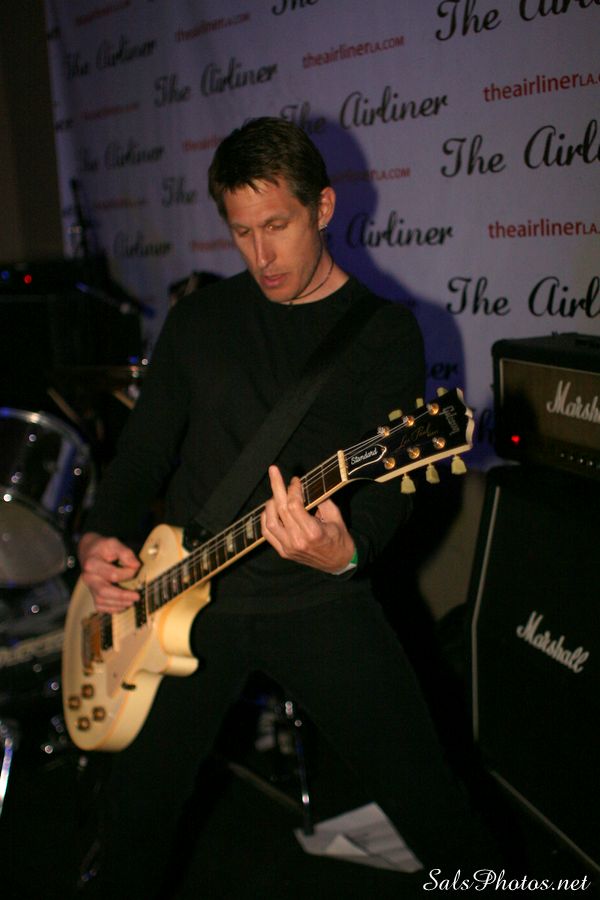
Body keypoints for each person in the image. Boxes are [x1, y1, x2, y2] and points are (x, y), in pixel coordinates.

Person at [76, 118, 496, 897]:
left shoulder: (383, 333)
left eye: (277, 226)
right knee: (134, 816)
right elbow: (141, 455)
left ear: (323, 207)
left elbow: (387, 491)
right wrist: (100, 535)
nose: (261, 256)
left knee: (439, 816)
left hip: (316, 602)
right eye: (242, 233)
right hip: (181, 598)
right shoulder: (200, 321)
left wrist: (345, 549)